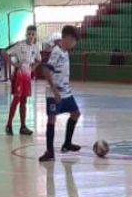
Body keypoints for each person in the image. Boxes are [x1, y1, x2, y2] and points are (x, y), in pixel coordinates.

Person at [39, 25, 81, 162]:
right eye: (74, 41)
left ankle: (67, 143)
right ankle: (49, 151)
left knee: (76, 113)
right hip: (54, 93)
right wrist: (55, 91)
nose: (74, 44)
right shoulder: (56, 52)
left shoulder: (65, 51)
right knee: (52, 118)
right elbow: (46, 71)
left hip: (66, 92)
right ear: (68, 38)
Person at [5, 24, 41, 136]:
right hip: (19, 75)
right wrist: (14, 64)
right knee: (16, 99)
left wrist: (33, 68)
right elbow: (4, 53)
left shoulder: (36, 47)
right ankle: (9, 125)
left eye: (33, 34)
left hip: (27, 76)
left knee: (24, 101)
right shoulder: (19, 45)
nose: (31, 36)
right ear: (26, 34)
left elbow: (39, 60)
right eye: (29, 34)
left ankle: (23, 126)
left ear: (35, 35)